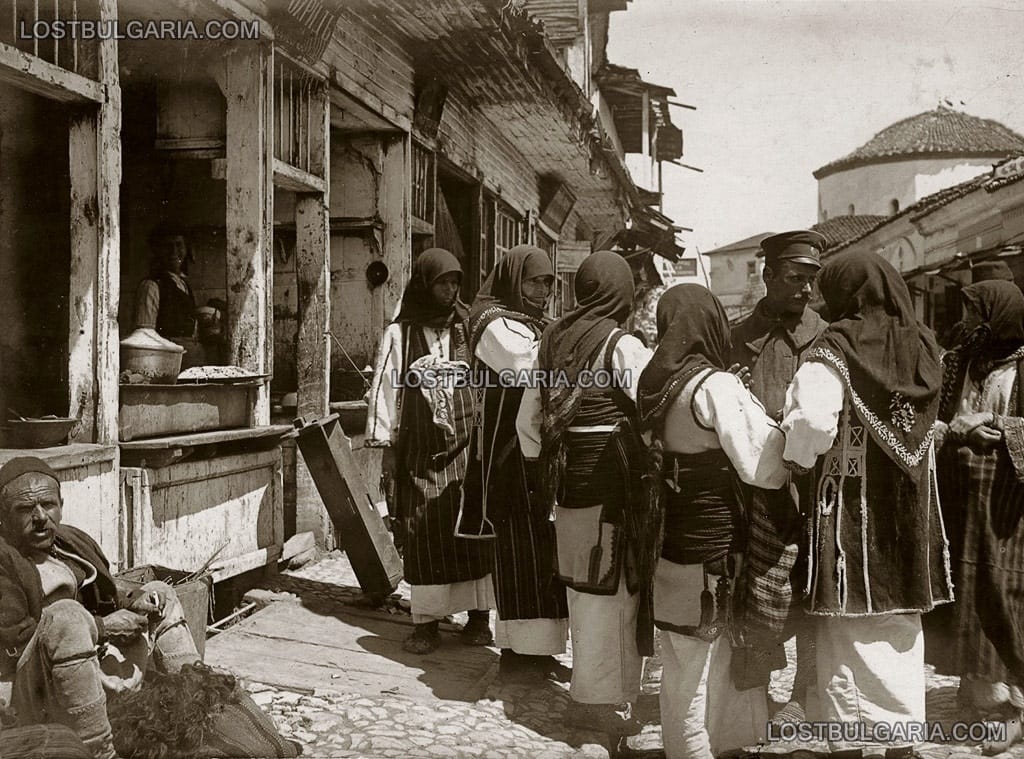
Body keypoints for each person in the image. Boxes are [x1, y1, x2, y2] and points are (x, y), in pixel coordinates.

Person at [781, 250, 953, 758]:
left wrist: (795, 458)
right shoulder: (924, 346)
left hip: (851, 516)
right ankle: (900, 746)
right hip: (908, 510)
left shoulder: (835, 347)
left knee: (846, 634)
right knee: (899, 630)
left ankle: (851, 747)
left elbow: (811, 422)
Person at [637, 284, 788, 759]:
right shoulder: (716, 386)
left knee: (684, 657)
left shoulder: (656, 381)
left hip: (670, 537)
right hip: (716, 544)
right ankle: (702, 749)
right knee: (710, 655)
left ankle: (699, 745)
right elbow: (764, 465)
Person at [517, 251, 653, 734]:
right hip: (613, 485)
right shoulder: (622, 345)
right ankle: (599, 701)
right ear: (621, 292)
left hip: (569, 485)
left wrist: (552, 466)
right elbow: (653, 403)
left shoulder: (551, 339)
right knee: (614, 590)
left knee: (583, 585)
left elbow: (527, 422)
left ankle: (594, 692)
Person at [0, 456, 202, 759]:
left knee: (161, 592)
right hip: (35, 688)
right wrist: (104, 627)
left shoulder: (68, 542)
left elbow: (105, 587)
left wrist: (133, 597)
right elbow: (13, 640)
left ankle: (200, 700)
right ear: (3, 516)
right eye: (26, 509)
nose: (41, 516)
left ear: (61, 504)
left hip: (90, 660)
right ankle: (99, 751)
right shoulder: (4, 559)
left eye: (48, 504)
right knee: (66, 615)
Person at [365, 248, 494, 654]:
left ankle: (478, 618)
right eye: (442, 282)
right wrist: (383, 441)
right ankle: (426, 623)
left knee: (471, 531)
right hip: (421, 455)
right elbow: (384, 388)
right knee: (424, 532)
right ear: (425, 283)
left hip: (466, 450)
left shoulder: (471, 328)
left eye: (455, 282)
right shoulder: (399, 334)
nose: (450, 289)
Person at [729, 230, 828, 720]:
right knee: (758, 581)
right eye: (795, 278)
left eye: (812, 279)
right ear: (767, 276)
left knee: (812, 582)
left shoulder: (828, 337)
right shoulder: (734, 337)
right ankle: (756, 686)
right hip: (756, 489)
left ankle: (805, 689)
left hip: (815, 488)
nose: (806, 289)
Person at [457, 244, 569, 675]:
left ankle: (541, 650)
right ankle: (516, 653)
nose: (542, 290)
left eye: (548, 282)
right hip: (506, 450)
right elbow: (525, 366)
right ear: (513, 280)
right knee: (518, 548)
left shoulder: (538, 325)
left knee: (542, 547)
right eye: (534, 281)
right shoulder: (492, 324)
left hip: (537, 447)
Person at [929, 279, 1024, 754]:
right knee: (970, 588)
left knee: (1007, 590)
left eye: (974, 313)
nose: (965, 323)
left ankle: (1017, 703)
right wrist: (957, 430)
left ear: (998, 315)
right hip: (965, 493)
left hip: (1011, 502)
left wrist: (1001, 428)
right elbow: (943, 418)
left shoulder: (1022, 364)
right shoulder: (961, 361)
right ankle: (982, 693)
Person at [132, 229, 203, 369]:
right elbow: (144, 335)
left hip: (189, 360)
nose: (174, 251)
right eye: (167, 246)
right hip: (167, 362)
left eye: (179, 245)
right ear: (157, 251)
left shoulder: (183, 283)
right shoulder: (151, 286)